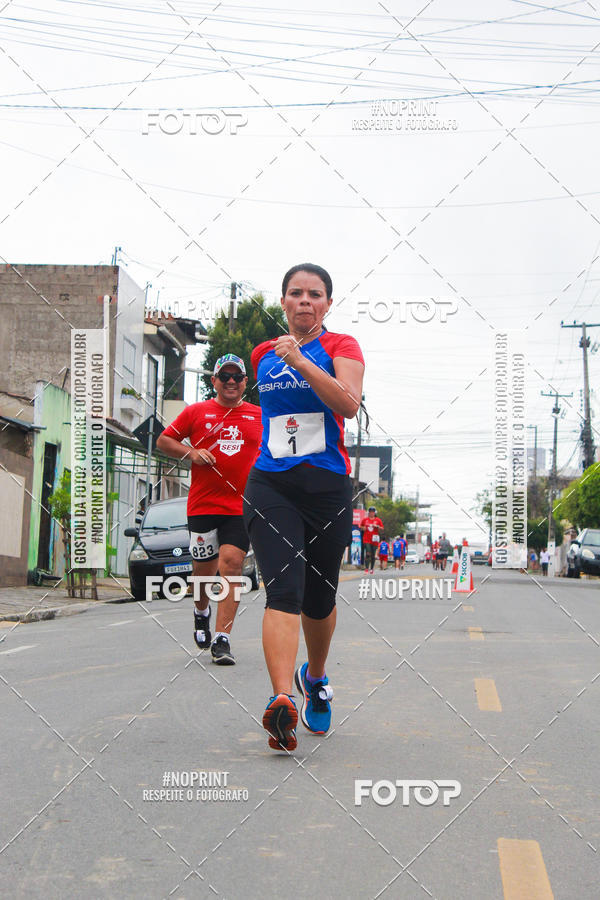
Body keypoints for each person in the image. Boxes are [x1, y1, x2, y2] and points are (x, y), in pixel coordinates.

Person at [244, 263, 365, 752]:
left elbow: (348, 404)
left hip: (327, 488)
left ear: (328, 304)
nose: (304, 301)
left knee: (319, 597)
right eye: (295, 294)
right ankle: (280, 703)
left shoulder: (341, 347)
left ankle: (313, 678)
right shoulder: (261, 354)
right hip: (271, 483)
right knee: (283, 591)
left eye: (315, 294)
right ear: (283, 302)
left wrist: (301, 361)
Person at [156, 354, 262, 665]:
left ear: (245, 383)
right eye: (224, 376)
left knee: (231, 564)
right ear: (214, 381)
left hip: (240, 505)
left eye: (237, 377)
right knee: (204, 570)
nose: (231, 382)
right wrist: (192, 452)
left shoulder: (259, 415)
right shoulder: (196, 412)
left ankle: (222, 639)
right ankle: (201, 610)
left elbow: (276, 449)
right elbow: (164, 441)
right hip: (203, 504)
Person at [361, 507, 383, 573]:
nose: (371, 513)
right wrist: (363, 528)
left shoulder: (378, 520)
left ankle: (372, 568)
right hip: (366, 539)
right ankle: (366, 568)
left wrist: (377, 526)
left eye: (373, 512)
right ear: (369, 513)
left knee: (373, 555)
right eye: (370, 512)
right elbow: (361, 526)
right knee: (368, 553)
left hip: (374, 539)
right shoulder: (365, 520)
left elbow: (382, 528)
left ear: (374, 513)